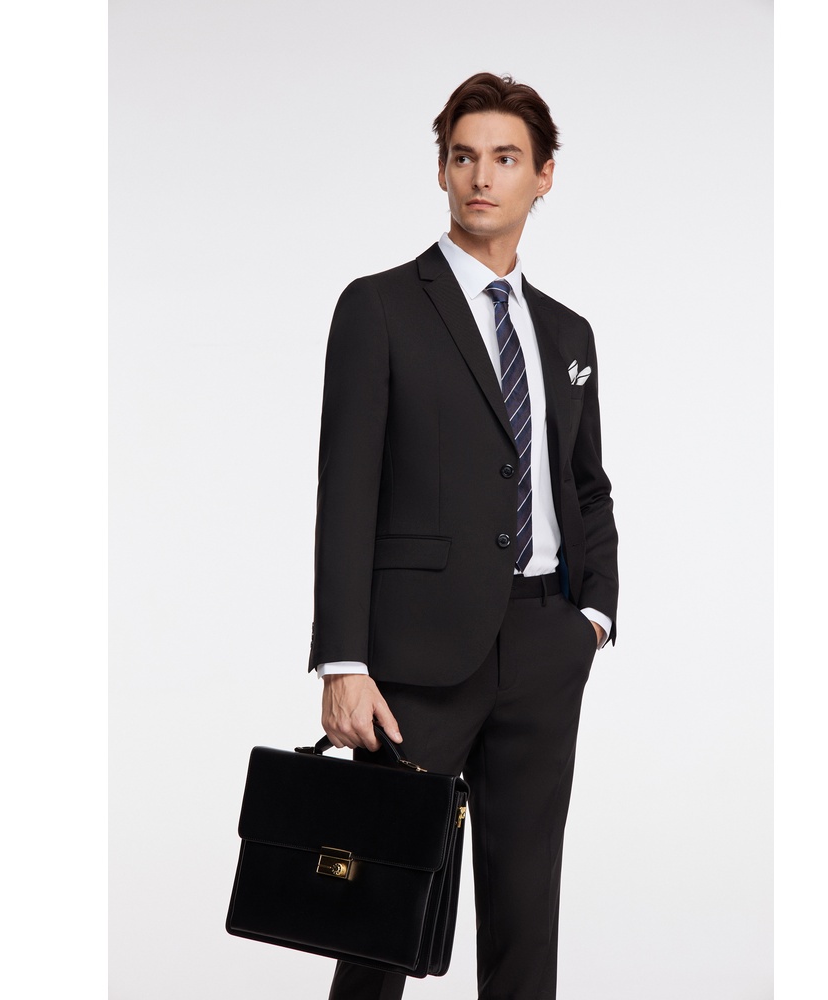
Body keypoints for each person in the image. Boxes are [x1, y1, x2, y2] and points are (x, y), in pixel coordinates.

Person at [309, 71, 619, 1000]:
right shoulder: (379, 307)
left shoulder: (567, 332)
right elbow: (345, 492)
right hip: (413, 662)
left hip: (544, 644)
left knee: (526, 914)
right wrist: (343, 661)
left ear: (544, 175)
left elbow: (587, 486)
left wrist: (593, 615)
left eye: (506, 158)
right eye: (464, 156)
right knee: (379, 919)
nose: (483, 177)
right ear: (442, 170)